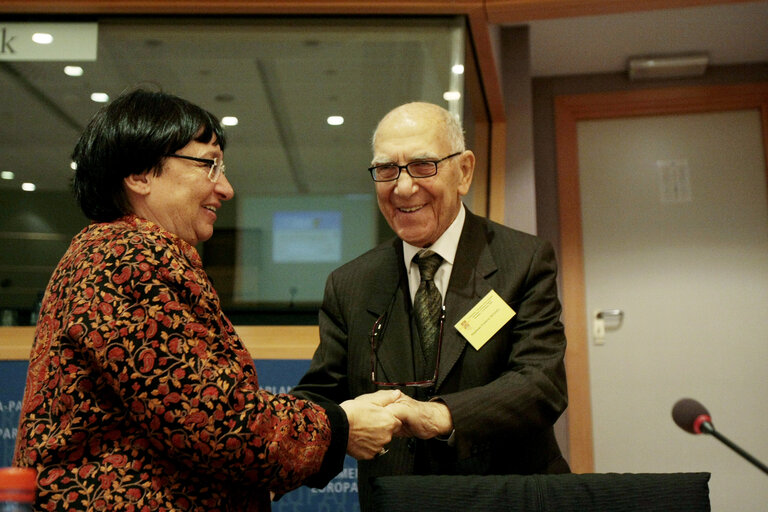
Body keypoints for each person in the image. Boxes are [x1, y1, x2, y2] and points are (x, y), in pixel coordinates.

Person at [12, 88, 403, 512]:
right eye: (208, 164)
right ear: (139, 174)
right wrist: (341, 427)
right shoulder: (128, 258)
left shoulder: (115, 250)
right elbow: (218, 423)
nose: (227, 188)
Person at [291, 101, 570, 510]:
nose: (403, 187)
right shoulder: (349, 285)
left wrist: (437, 416)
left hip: (507, 496)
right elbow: (320, 396)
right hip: (400, 500)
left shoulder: (522, 261)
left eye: (423, 165)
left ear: (464, 171)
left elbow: (540, 384)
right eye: (387, 169)